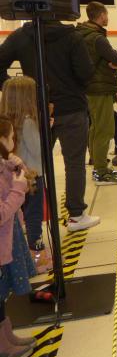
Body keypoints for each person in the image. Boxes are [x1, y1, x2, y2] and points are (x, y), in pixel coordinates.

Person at [0, 20, 98, 233]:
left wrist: (16, 90)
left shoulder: (22, 35)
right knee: (74, 163)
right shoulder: (72, 36)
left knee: (32, 165)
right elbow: (86, 73)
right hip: (72, 107)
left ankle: (27, 218)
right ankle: (76, 215)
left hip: (36, 109)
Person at [0, 77, 50, 273]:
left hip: (15, 178)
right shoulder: (28, 122)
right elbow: (38, 150)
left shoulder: (8, 123)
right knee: (34, 215)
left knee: (23, 217)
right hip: (31, 177)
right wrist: (45, 129)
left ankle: (28, 255)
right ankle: (37, 254)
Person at [0, 115, 38, 357]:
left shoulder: (4, 165)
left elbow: (24, 174)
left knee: (2, 294)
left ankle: (7, 335)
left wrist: (15, 164)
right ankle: (3, 345)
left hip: (7, 241)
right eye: (11, 138)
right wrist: (17, 189)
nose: (14, 142)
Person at [77, 1, 117, 186]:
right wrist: (114, 63)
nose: (108, 18)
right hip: (100, 89)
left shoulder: (82, 34)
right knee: (105, 129)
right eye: (107, 14)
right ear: (102, 15)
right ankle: (101, 171)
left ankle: (96, 162)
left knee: (95, 127)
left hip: (89, 88)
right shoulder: (98, 38)